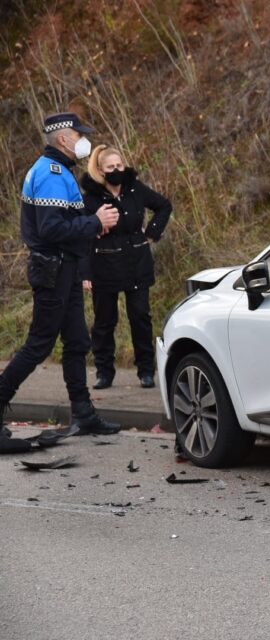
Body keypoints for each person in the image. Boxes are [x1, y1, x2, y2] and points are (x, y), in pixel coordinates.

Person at [0, 113, 121, 453]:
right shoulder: (51, 174)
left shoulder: (61, 171)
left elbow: (68, 225)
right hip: (52, 269)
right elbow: (51, 230)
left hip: (63, 269)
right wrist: (94, 221)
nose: (85, 140)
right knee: (39, 344)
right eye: (80, 134)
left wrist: (93, 224)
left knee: (77, 341)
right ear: (64, 139)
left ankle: (83, 413)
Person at [80, 145, 172, 389]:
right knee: (104, 320)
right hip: (104, 262)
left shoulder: (135, 188)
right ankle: (104, 372)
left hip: (136, 261)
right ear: (100, 170)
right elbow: (82, 233)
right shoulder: (90, 198)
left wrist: (152, 233)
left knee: (140, 316)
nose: (116, 170)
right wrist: (85, 271)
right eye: (110, 167)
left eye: (119, 166)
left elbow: (164, 205)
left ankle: (146, 371)